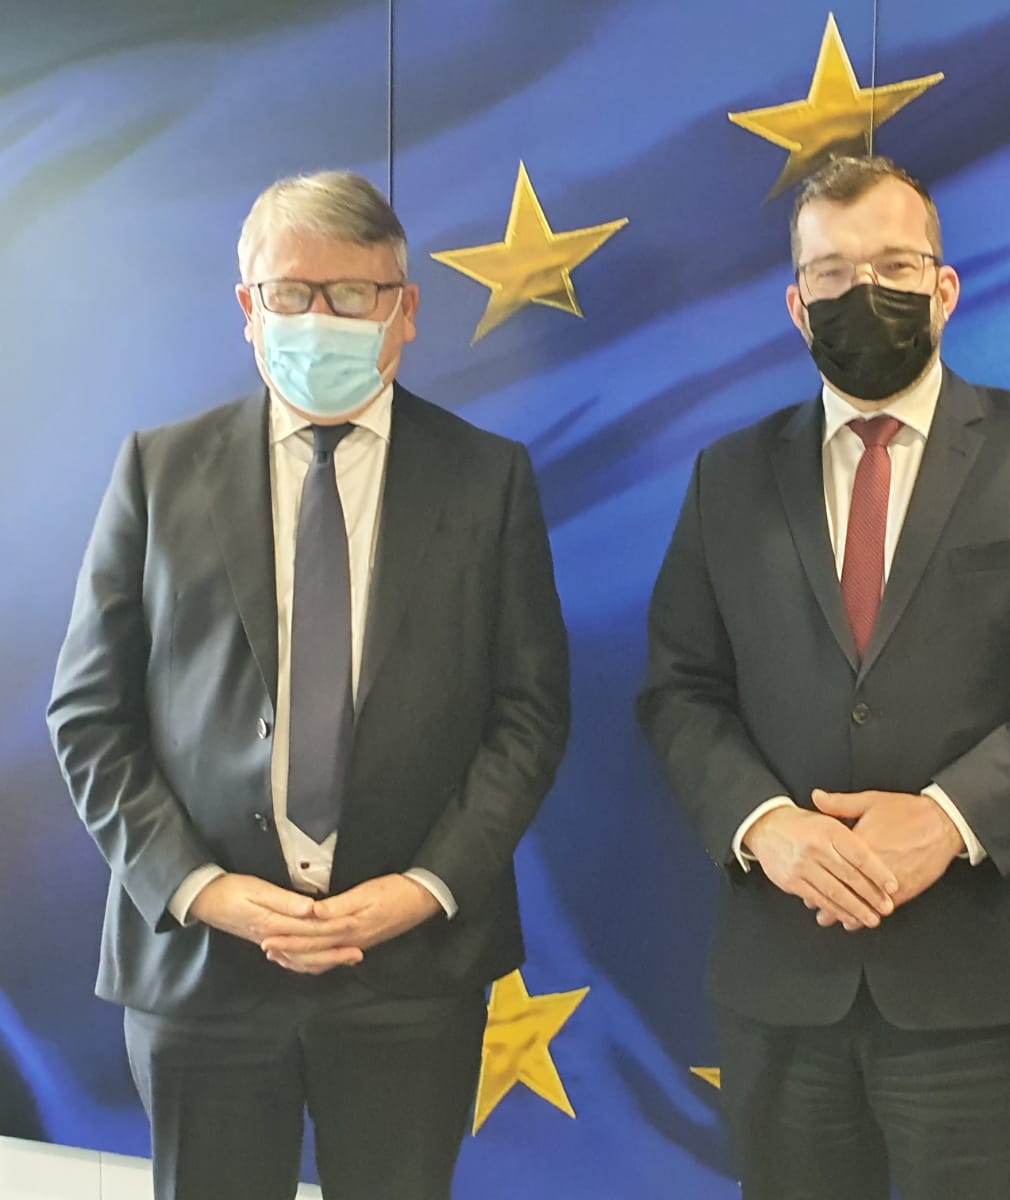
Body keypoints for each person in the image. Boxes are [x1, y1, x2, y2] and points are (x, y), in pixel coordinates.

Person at [46, 170, 570, 1200]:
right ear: (250, 308)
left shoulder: (488, 477)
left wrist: (421, 889)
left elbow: (530, 713)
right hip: (201, 969)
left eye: (352, 294)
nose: (318, 318)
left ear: (404, 310)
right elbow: (89, 716)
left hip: (411, 974)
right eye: (291, 293)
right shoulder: (159, 470)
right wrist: (203, 890)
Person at [637, 155, 1010, 1199]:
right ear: (796, 306)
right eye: (830, 273)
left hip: (982, 984)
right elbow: (678, 690)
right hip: (783, 983)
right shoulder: (728, 477)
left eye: (893, 265)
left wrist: (950, 820)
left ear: (943, 287)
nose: (861, 292)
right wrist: (764, 827)